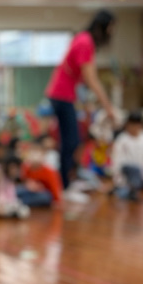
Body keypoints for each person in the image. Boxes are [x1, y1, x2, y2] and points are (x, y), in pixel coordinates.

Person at [46, 11, 116, 196]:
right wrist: (108, 107)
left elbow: (81, 77)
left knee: (71, 140)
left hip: (64, 94)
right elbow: (91, 79)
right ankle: (64, 186)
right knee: (71, 141)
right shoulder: (85, 42)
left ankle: (67, 183)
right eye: (111, 28)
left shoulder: (82, 39)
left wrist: (86, 103)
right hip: (61, 94)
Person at [111, 113, 143, 200]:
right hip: (126, 178)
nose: (135, 128)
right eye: (133, 125)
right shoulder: (122, 139)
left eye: (138, 125)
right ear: (127, 125)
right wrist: (118, 180)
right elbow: (117, 163)